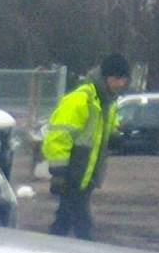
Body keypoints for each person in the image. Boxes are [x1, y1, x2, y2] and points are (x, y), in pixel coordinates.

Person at [41, 53, 131, 241]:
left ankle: (51, 250)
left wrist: (114, 136)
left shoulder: (108, 101)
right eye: (117, 78)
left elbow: (107, 126)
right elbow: (59, 133)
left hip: (86, 173)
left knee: (64, 219)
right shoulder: (81, 99)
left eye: (123, 79)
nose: (121, 83)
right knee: (83, 224)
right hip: (74, 170)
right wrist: (59, 169)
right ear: (106, 77)